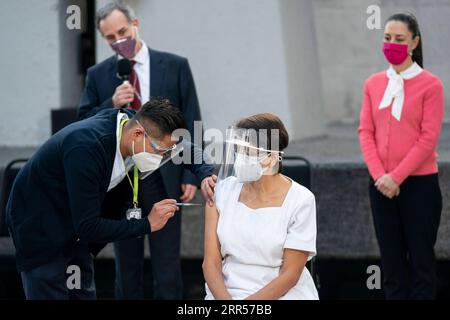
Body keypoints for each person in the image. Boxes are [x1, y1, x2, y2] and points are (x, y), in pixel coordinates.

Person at [6, 98, 216, 299]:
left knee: (81, 291)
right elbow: (88, 226)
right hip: (40, 227)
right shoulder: (86, 148)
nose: (162, 157)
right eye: (160, 151)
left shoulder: (133, 123)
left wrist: (205, 173)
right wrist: (147, 224)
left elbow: (184, 148)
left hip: (76, 232)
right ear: (136, 135)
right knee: (50, 288)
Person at [78, 2, 203, 299]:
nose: (119, 41)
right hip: (121, 180)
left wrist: (190, 173)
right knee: (126, 265)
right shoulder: (98, 75)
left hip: (166, 174)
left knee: (167, 264)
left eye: (122, 31)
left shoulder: (174, 65)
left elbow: (193, 121)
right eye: (110, 37)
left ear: (135, 25)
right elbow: (82, 124)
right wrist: (110, 105)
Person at [358, 13, 444, 299]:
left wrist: (396, 177)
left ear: (414, 42)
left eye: (399, 39)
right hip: (380, 184)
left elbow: (428, 138)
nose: (391, 44)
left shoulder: (431, 85)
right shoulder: (373, 83)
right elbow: (365, 131)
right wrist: (380, 176)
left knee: (421, 263)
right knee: (391, 265)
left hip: (419, 185)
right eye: (387, 38)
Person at [202, 113, 319, 300]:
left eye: (247, 151)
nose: (240, 158)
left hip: (282, 293)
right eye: (237, 150)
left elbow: (290, 274)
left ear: (272, 158)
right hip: (226, 292)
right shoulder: (220, 192)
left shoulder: (301, 200)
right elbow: (211, 263)